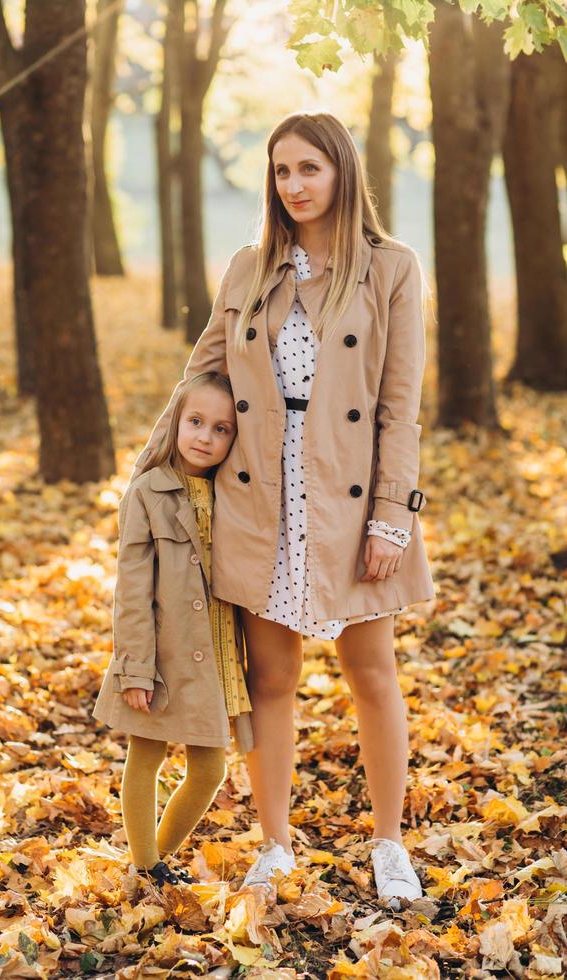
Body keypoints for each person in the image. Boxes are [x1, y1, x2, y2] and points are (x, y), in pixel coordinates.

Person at [128, 111, 436, 908]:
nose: (293, 186)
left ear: (342, 171)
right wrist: (149, 469)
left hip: (353, 495)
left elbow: (400, 406)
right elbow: (203, 371)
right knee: (272, 678)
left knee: (373, 675)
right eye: (281, 171)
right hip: (258, 497)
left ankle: (389, 843)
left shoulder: (391, 267)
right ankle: (275, 844)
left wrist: (392, 517)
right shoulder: (250, 266)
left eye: (309, 169)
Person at [92, 371, 253, 887]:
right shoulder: (148, 492)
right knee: (147, 755)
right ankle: (147, 867)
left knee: (210, 770)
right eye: (196, 422)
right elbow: (132, 589)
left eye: (222, 429)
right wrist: (136, 666)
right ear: (176, 422)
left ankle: (153, 859)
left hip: (215, 655)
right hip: (163, 655)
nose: (205, 437)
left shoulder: (233, 493)